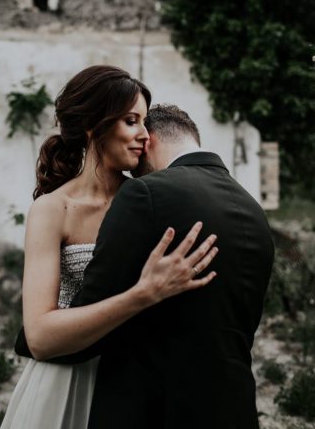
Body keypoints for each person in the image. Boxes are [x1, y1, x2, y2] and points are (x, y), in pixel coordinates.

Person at [16, 103, 275, 429]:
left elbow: (96, 302)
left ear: (146, 140)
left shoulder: (147, 193)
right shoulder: (253, 211)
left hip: (148, 404)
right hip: (230, 406)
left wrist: (38, 337)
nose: (133, 173)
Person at [1, 67, 218, 429]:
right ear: (93, 124)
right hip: (67, 380)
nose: (145, 136)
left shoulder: (151, 203)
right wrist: (143, 294)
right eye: (131, 121)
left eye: (145, 122)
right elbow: (38, 337)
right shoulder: (53, 210)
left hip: (137, 381)